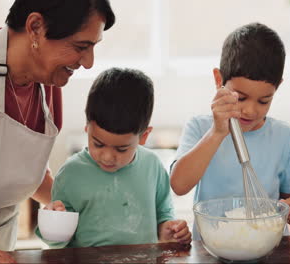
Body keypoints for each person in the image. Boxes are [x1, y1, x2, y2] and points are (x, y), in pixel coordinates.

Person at [0, 0, 115, 262]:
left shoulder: (48, 81)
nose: (89, 63)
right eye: (81, 47)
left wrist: (76, 209)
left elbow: (19, 171)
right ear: (35, 27)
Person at [170, 23, 290, 240]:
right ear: (219, 80)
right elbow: (179, 185)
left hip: (268, 247)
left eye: (264, 101)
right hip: (212, 247)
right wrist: (217, 133)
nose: (250, 110)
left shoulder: (283, 136)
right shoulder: (200, 128)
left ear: (277, 88)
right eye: (241, 97)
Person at [37, 68, 192, 248]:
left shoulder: (152, 166)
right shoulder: (71, 173)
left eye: (121, 149)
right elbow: (58, 244)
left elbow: (163, 215)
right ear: (87, 129)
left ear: (144, 136)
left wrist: (168, 230)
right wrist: (53, 224)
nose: (108, 157)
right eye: (98, 144)